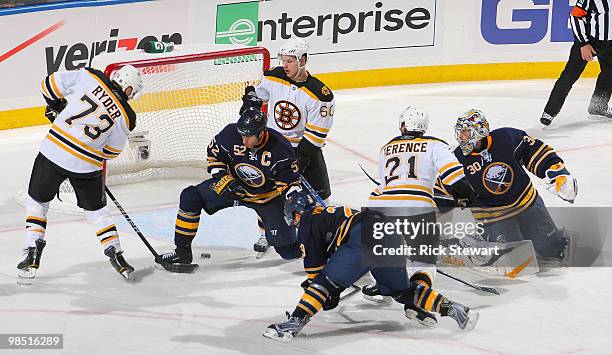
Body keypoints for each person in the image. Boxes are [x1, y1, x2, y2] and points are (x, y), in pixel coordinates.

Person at [263, 192, 479, 341]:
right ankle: (453, 309)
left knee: (323, 283)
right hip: (391, 233)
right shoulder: (328, 213)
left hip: (364, 236)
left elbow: (316, 276)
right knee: (401, 291)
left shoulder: (308, 222)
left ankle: (293, 324)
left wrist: (326, 294)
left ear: (296, 214)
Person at [18, 65, 144, 282]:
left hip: (54, 151)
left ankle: (32, 251)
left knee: (38, 201)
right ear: (129, 87)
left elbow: (48, 85)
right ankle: (116, 255)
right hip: (87, 165)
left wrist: (56, 106)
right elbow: (111, 152)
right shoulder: (127, 116)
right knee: (97, 212)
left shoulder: (90, 76)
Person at [360, 107, 476, 326]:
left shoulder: (386, 148)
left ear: (403, 126)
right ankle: (415, 304)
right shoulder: (435, 144)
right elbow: (454, 178)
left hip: (381, 206)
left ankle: (381, 286)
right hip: (417, 207)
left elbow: (387, 183)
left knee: (387, 250)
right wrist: (467, 196)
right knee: (423, 261)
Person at [158, 107, 303, 264]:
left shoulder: (281, 149)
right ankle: (182, 252)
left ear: (261, 134)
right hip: (232, 187)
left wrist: (293, 202)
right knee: (190, 196)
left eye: (248, 137)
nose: (243, 141)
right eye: (241, 135)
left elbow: (288, 185)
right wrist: (225, 179)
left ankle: (317, 248)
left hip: (266, 197)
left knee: (289, 252)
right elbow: (214, 157)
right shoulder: (230, 133)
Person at [239, 38, 335, 255]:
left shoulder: (320, 94)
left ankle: (327, 232)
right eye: (284, 60)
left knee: (323, 195)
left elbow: (315, 136)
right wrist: (251, 100)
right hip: (272, 146)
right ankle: (265, 233)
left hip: (304, 150)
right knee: (265, 192)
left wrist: (298, 159)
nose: (286, 65)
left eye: (290, 61)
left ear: (303, 60)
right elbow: (259, 96)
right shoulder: (273, 76)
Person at [454, 109, 577, 265]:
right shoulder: (456, 159)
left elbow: (536, 152)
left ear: (480, 130)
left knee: (554, 250)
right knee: (518, 261)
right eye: (459, 132)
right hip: (494, 217)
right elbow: (444, 187)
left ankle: (549, 241)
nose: (460, 136)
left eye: (465, 131)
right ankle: (477, 247)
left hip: (527, 204)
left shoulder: (507, 138)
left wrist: (558, 173)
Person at [543, 0, 612, 125]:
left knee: (609, 74)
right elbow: (575, 16)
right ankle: (549, 112)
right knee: (569, 76)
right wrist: (583, 43)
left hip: (610, 44)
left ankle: (598, 107)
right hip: (589, 41)